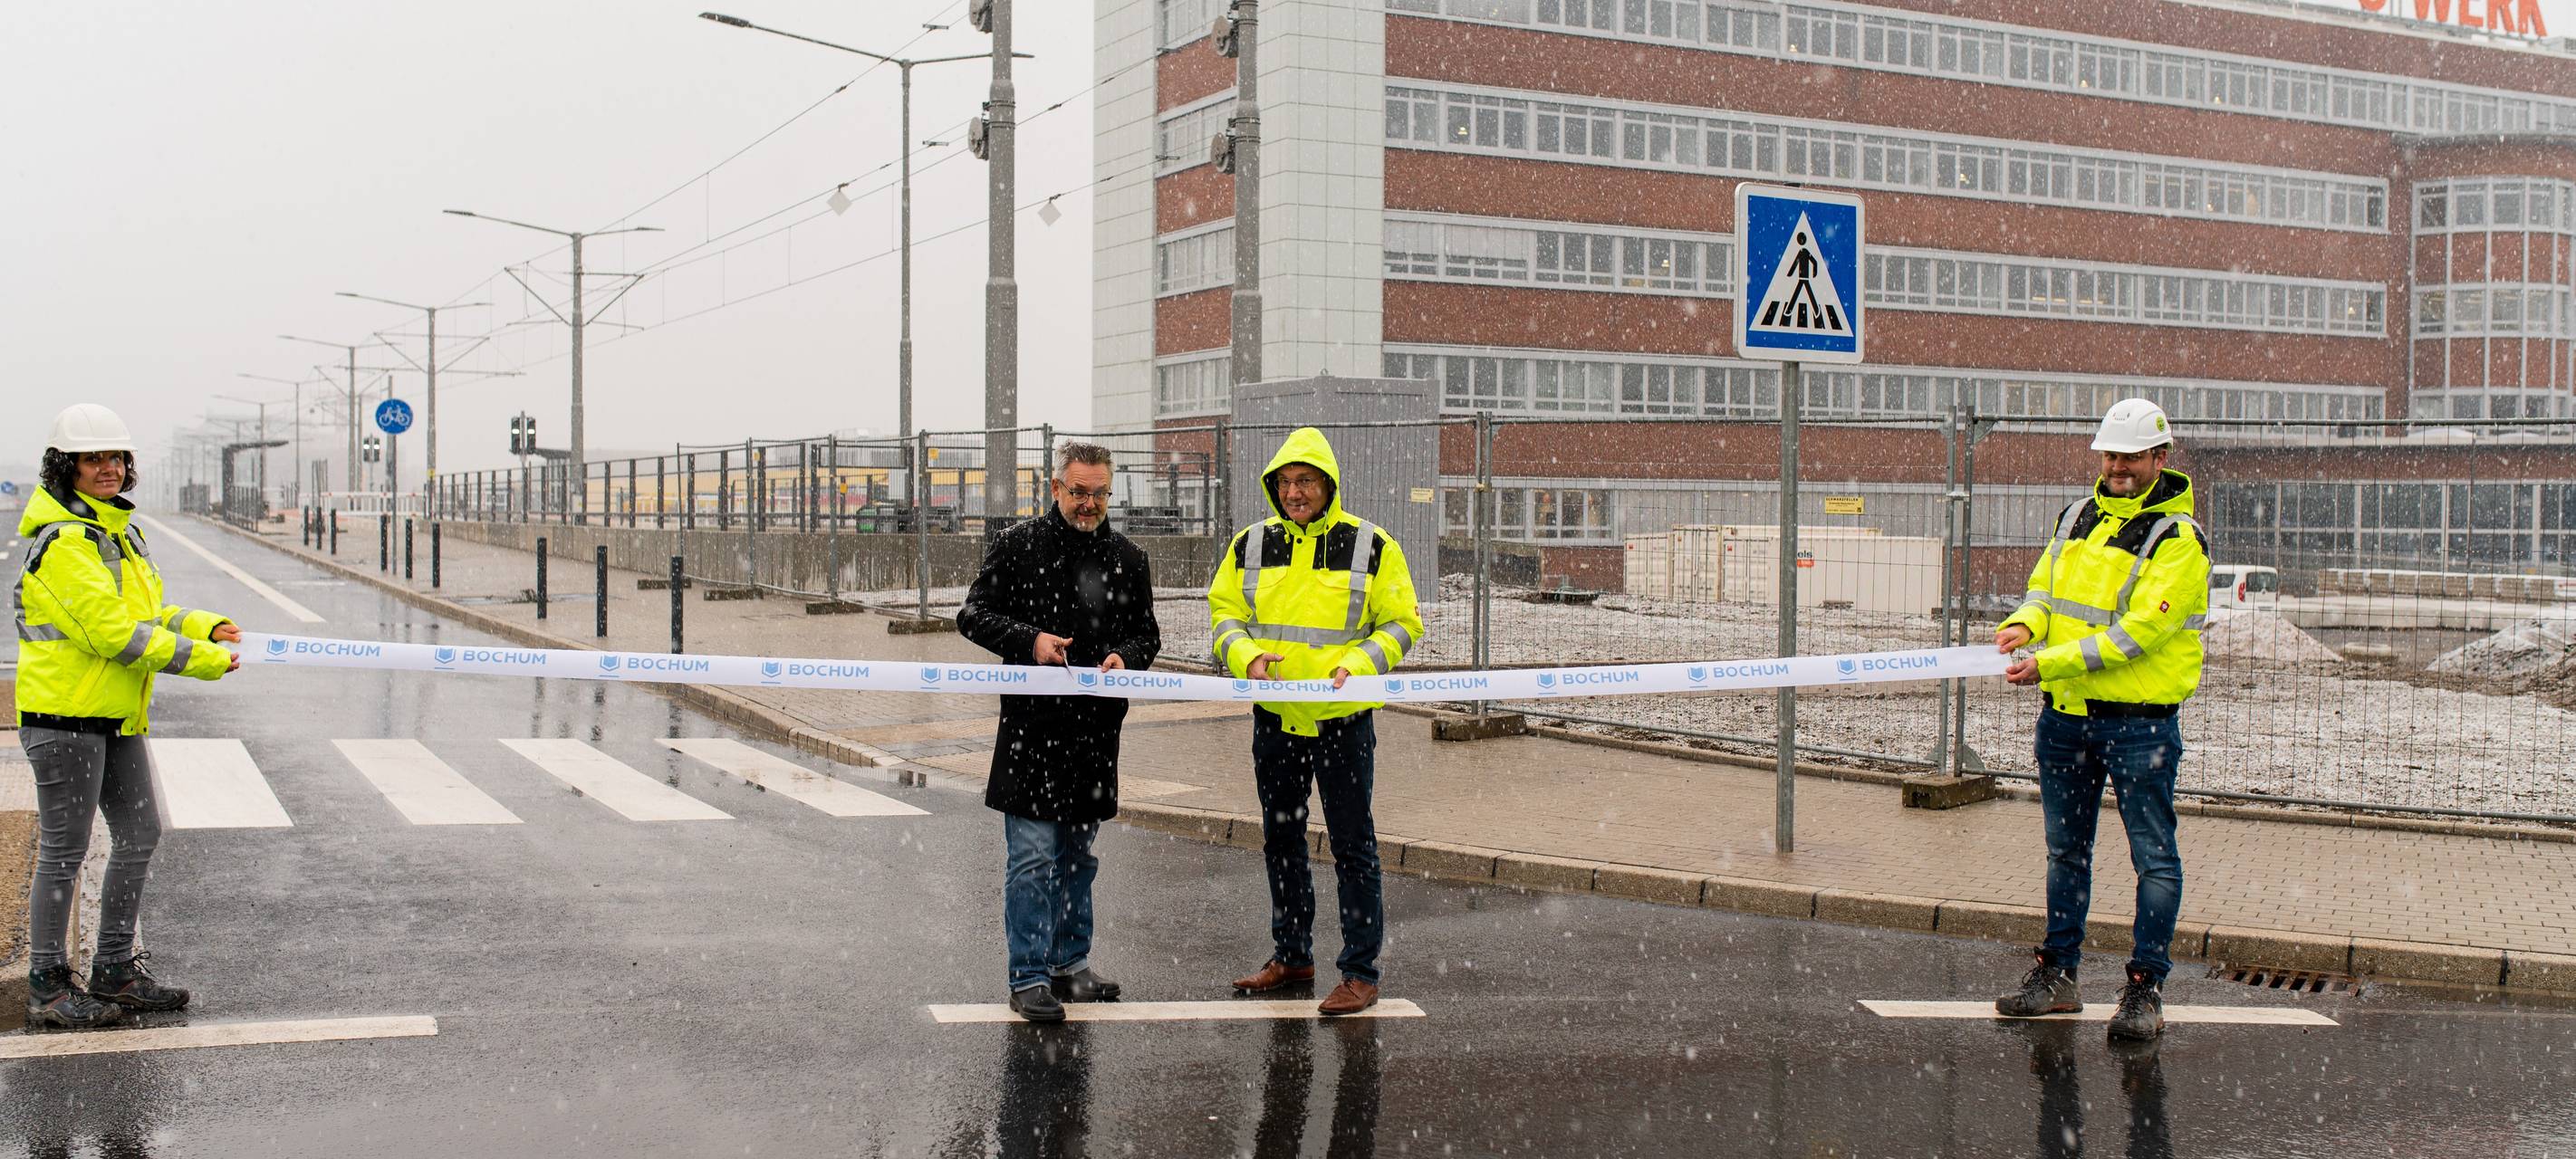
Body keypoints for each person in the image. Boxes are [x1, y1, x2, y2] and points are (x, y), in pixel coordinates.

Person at [15, 404, 240, 1030]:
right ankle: (47, 987)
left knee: (139, 835)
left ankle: (114, 972)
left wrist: (203, 626)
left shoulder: (116, 533)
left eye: (117, 458)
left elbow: (149, 612)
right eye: (94, 459)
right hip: (64, 717)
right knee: (65, 851)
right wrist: (201, 660)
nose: (109, 469)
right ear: (65, 469)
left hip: (114, 715)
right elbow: (111, 634)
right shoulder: (63, 542)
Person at [1992, 398, 2210, 1041]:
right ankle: (2058, 975)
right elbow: (2043, 588)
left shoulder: (2179, 540)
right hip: (2066, 718)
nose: (2117, 467)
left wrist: (2049, 662)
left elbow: (2137, 634)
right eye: (2110, 455)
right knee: (2066, 853)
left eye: (2131, 457)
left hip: (2139, 725)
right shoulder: (2076, 516)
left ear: (2160, 459)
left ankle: (2146, 990)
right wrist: (2023, 624)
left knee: (2154, 859)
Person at [1206, 427, 1424, 1016]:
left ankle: (1359, 973)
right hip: (1277, 719)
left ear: (1329, 485)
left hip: (1342, 721)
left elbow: (1402, 623)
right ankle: (1292, 955)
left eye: (1306, 481)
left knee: (1353, 846)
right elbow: (1224, 611)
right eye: (1286, 482)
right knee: (1282, 840)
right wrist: (1244, 656)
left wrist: (1358, 663)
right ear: (1274, 486)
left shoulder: (1371, 545)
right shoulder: (1250, 544)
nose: (1295, 492)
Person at [956, 442, 1161, 1023]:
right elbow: (972, 614)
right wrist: (1031, 641)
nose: (1089, 503)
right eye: (1078, 492)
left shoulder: (1128, 557)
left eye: (1099, 493)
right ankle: (1027, 977)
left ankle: (1070, 966)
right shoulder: (1018, 546)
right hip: (1031, 730)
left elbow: (1147, 634)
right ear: (1055, 488)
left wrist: (1127, 657)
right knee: (1032, 858)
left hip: (1095, 733)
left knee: (1078, 856)